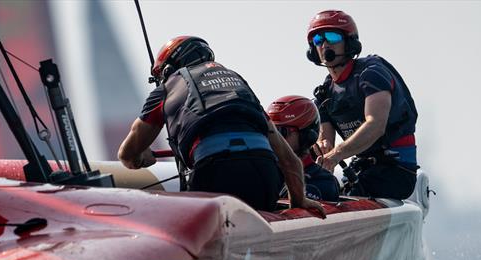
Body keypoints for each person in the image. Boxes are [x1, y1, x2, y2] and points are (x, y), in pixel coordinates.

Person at [118, 36, 325, 216]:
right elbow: (289, 160)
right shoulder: (238, 85)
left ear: (169, 70)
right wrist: (299, 203)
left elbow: (126, 155)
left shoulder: (167, 88)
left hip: (214, 171)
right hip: (264, 174)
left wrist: (140, 156)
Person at [307, 10, 419, 200]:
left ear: (350, 42)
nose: (325, 44)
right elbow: (326, 141)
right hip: (361, 168)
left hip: (396, 170)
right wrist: (321, 147)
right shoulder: (325, 93)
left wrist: (336, 155)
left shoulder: (371, 74)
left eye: (332, 36)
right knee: (319, 191)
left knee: (345, 197)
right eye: (318, 39)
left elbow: (375, 125)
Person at [266, 95, 339, 202]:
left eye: (281, 132)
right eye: (269, 132)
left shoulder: (322, 181)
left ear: (306, 135)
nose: (273, 138)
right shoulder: (262, 172)